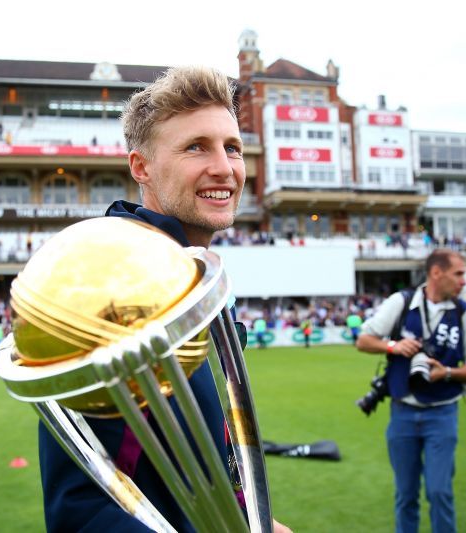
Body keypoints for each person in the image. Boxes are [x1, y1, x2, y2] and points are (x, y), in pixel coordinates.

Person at [39, 66, 290, 532]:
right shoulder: (112, 293)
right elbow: (84, 513)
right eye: (196, 146)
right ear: (141, 167)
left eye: (231, 147)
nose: (225, 167)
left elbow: (197, 460)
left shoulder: (190, 278)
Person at [355, 249, 466, 533]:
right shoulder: (401, 302)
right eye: (459, 274)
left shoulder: (465, 313)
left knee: (440, 492)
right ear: (436, 273)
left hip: (442, 414)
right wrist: (394, 346)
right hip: (402, 412)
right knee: (405, 495)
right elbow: (363, 340)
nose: (464, 281)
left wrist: (448, 372)